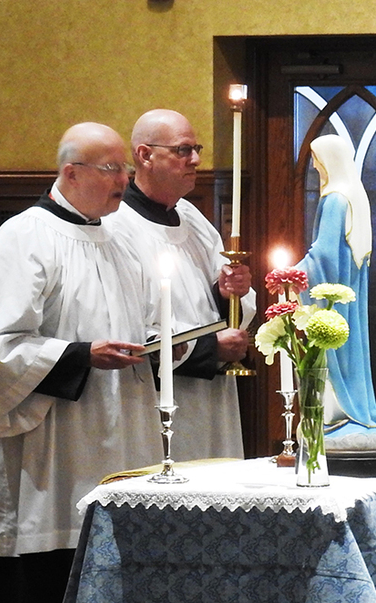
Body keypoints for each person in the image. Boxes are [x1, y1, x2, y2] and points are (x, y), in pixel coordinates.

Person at [0, 122, 162, 603]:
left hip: (121, 432)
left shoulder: (121, 239)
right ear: (70, 172)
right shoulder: (23, 237)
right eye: (110, 168)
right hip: (52, 450)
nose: (123, 178)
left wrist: (173, 341)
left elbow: (145, 319)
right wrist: (82, 355)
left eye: (124, 167)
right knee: (46, 586)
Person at [108, 108, 257, 459]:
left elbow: (232, 303)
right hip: (158, 396)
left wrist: (227, 294)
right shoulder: (117, 227)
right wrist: (208, 349)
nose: (195, 160)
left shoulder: (192, 218)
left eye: (196, 149)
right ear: (144, 155)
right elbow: (127, 323)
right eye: (182, 150)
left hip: (214, 397)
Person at [296, 134, 376, 476]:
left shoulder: (336, 199)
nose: (313, 166)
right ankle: (360, 415)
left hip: (333, 295)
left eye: (316, 159)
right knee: (353, 357)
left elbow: (323, 254)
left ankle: (341, 418)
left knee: (335, 356)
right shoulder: (355, 195)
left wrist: (294, 273)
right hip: (349, 291)